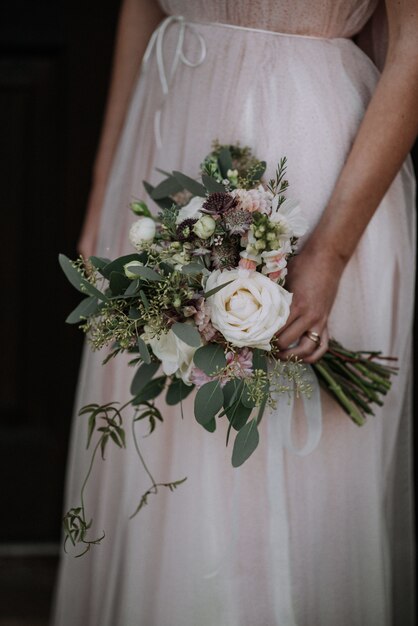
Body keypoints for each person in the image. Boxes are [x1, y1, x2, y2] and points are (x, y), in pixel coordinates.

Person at [52, 1, 418, 624]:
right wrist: (105, 188)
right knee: (167, 438)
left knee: (289, 451)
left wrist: (328, 251)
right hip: (167, 131)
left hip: (310, 158)